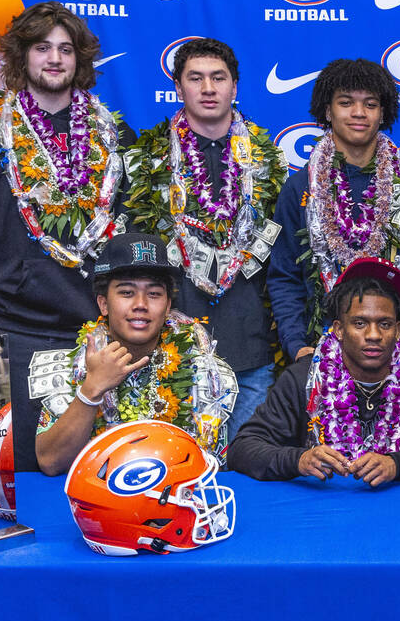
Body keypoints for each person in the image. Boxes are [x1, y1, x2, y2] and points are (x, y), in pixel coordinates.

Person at [0, 1, 134, 472]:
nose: (54, 58)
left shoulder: (115, 135)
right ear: (20, 57)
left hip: (93, 338)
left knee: (92, 477)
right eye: (42, 47)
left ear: (79, 61)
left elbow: (130, 243)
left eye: (65, 49)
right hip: (2, 335)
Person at [123, 38, 287, 440]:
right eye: (195, 78)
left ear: (235, 86)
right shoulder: (146, 160)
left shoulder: (270, 162)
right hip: (175, 354)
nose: (208, 88)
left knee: (250, 470)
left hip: (252, 351)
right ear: (179, 87)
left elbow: (283, 266)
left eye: (219, 78)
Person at [228, 257, 400, 485]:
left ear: (398, 330)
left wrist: (398, 464)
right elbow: (244, 448)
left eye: (385, 324)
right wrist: (299, 460)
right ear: (339, 329)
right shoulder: (305, 376)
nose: (374, 335)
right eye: (360, 323)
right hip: (323, 512)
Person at [266, 58, 400, 363]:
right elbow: (285, 276)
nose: (359, 113)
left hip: (399, 352)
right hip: (318, 353)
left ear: (383, 112)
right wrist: (297, 346)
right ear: (328, 111)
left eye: (370, 104)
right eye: (346, 103)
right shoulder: (300, 187)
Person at [32, 231, 237, 476]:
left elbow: (213, 467)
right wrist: (91, 390)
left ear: (168, 306)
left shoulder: (205, 373)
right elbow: (50, 462)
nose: (141, 304)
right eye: (127, 292)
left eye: (154, 294)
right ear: (103, 304)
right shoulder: (72, 366)